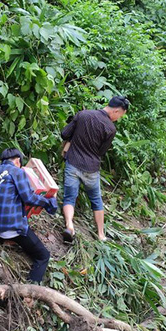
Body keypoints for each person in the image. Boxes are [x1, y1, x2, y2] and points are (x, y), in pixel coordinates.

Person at [0, 148, 58, 284]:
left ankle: (8, 240)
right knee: (43, 256)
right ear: (17, 161)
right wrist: (50, 202)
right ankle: (31, 289)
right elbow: (28, 197)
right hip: (10, 228)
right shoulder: (17, 171)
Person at [60, 96, 129, 243]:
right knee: (96, 201)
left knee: (69, 198)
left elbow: (65, 134)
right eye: (120, 116)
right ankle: (101, 234)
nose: (118, 119)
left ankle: (69, 225)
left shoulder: (83, 115)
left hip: (73, 163)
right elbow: (100, 152)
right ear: (116, 111)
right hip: (91, 169)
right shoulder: (110, 128)